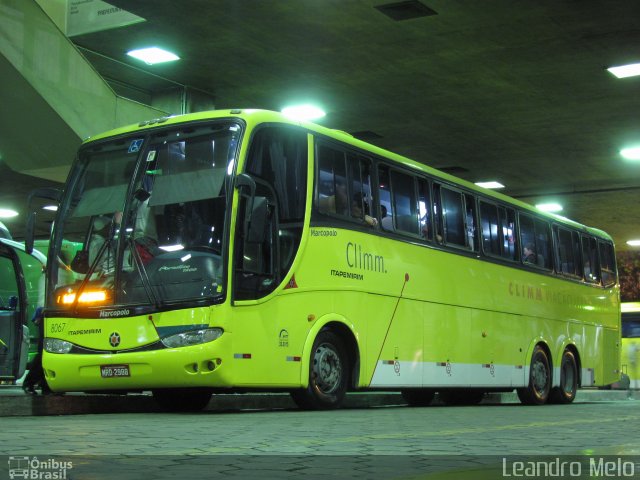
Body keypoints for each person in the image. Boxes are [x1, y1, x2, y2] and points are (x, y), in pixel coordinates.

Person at [22, 307, 51, 395]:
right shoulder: (42, 309)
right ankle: (30, 383)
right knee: (42, 358)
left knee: (45, 358)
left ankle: (45, 386)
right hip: (47, 330)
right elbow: (36, 321)